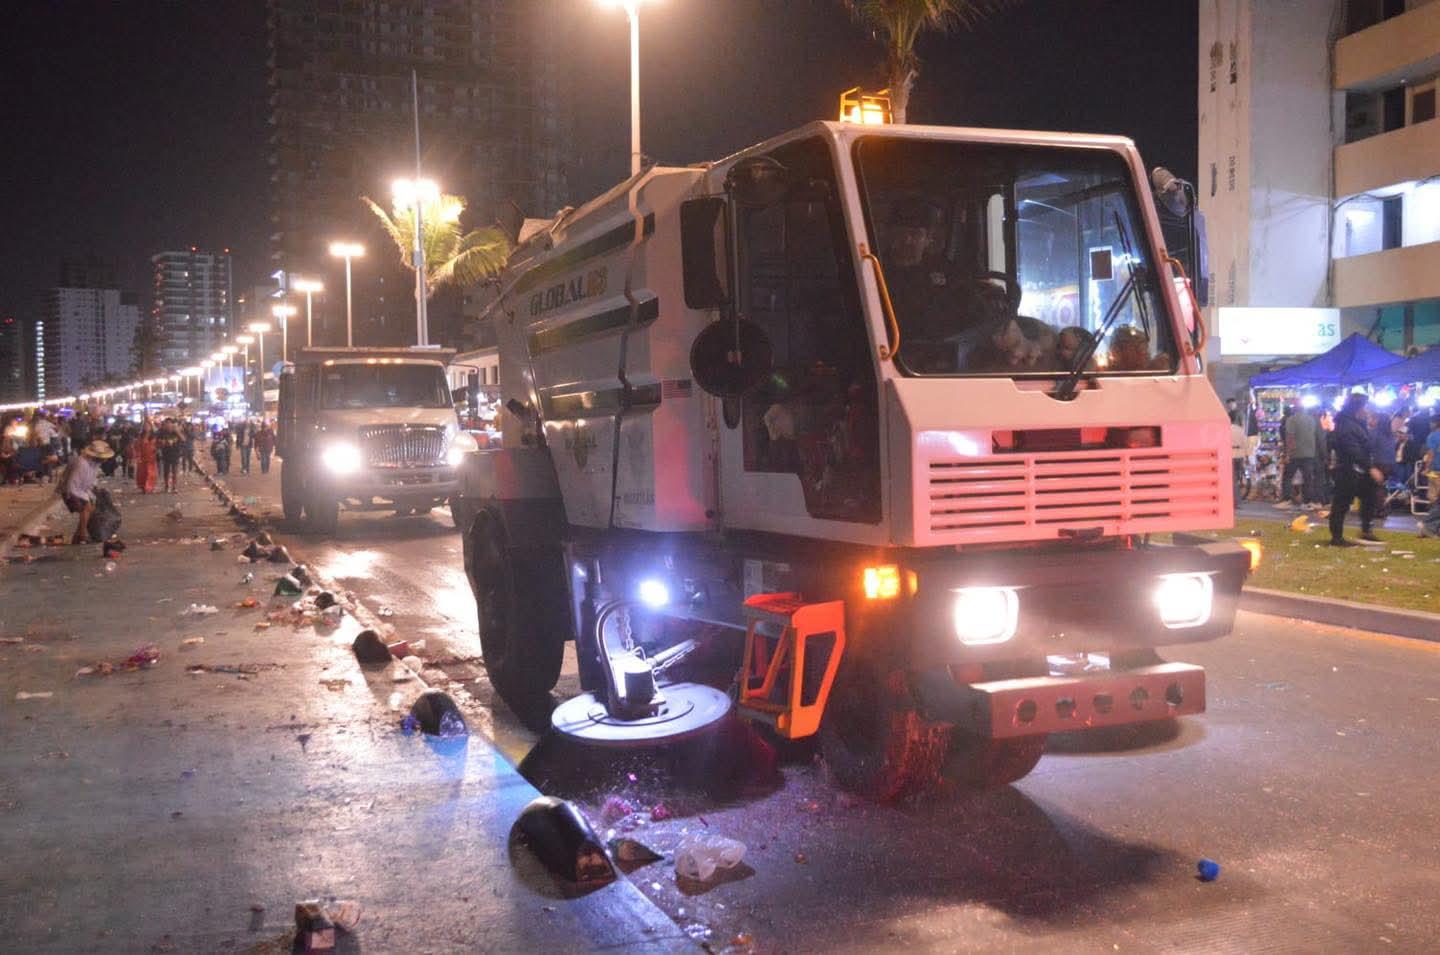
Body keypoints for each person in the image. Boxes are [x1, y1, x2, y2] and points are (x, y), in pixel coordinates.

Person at [1328, 392, 1383, 546]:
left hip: (1359, 470)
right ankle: (1337, 537)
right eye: (1365, 407)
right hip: (1348, 469)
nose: (1367, 411)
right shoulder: (1346, 425)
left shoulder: (1357, 423)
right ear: (1358, 408)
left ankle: (1366, 530)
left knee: (1368, 498)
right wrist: (1370, 467)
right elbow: (1352, 450)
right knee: (1342, 503)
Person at [60, 439, 113, 545]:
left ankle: (78, 535)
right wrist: (86, 498)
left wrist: (92, 493)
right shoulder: (82, 463)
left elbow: (90, 482)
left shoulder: (93, 464)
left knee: (91, 507)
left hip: (81, 491)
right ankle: (82, 535)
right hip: (70, 492)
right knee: (87, 507)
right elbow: (72, 485)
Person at [1279, 403, 1321, 508]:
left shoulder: (1291, 420)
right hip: (1310, 453)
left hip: (1295, 453)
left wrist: (1287, 454)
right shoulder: (1312, 420)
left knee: (1288, 477)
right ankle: (1308, 501)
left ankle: (1287, 499)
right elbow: (1317, 436)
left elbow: (1290, 438)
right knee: (1308, 478)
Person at [1420, 418, 1440, 538]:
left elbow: (1430, 453)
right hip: (1437, 472)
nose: (1430, 424)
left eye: (1431, 421)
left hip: (1434, 472)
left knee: (1434, 499)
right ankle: (1429, 526)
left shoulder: (1433, 436)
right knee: (1437, 501)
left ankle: (1429, 527)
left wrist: (1427, 468)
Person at [132, 421, 158, 494]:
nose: (146, 427)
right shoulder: (140, 436)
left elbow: (157, 445)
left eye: (148, 426)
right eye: (145, 426)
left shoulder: (154, 436)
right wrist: (137, 456)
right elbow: (137, 446)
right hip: (142, 456)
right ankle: (143, 487)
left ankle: (149, 487)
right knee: (142, 473)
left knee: (150, 473)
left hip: (151, 456)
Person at [158, 419, 183, 493]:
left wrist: (177, 432)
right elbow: (158, 441)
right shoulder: (162, 432)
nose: (168, 425)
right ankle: (166, 486)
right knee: (166, 471)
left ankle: (174, 486)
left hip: (175, 453)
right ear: (165, 425)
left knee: (174, 471)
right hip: (166, 453)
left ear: (172, 424)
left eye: (170, 423)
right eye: (167, 423)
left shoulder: (176, 432)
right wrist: (164, 442)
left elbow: (183, 439)